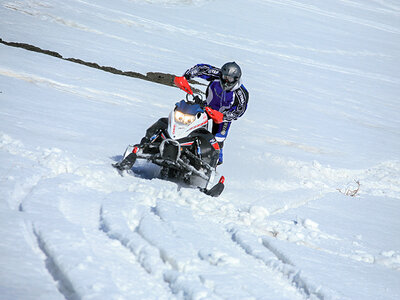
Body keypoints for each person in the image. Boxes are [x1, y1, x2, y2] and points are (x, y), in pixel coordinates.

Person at [183, 62, 249, 165]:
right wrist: (186, 76)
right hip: (208, 108)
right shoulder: (217, 74)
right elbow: (201, 68)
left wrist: (224, 116)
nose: (226, 80)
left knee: (218, 139)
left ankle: (214, 163)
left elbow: (240, 111)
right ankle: (182, 142)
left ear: (236, 79)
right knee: (189, 119)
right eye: (225, 77)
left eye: (230, 79)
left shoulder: (241, 93)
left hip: (224, 117)